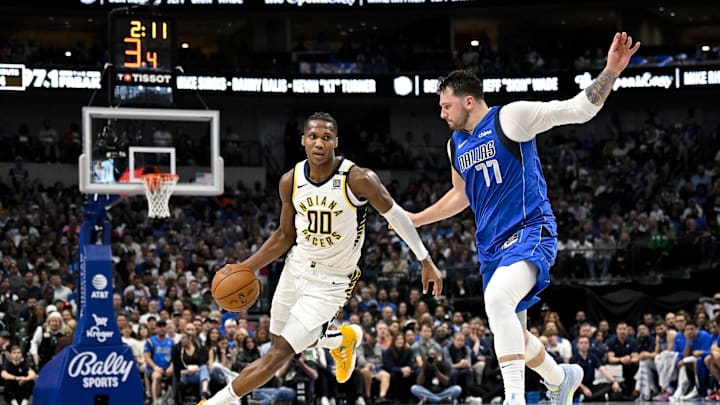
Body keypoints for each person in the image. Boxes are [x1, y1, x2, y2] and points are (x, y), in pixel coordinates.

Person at [408, 32, 640, 405]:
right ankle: (560, 378)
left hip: (530, 230)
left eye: (446, 106)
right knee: (516, 334)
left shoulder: (510, 118)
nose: (441, 113)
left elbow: (578, 110)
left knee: (498, 300)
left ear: (469, 101)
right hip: (491, 248)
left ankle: (514, 398)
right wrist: (418, 218)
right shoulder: (455, 145)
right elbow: (460, 195)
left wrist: (610, 71)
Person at [200, 112, 443, 405]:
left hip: (333, 280)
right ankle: (341, 340)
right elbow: (284, 235)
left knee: (279, 355)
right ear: (303, 140)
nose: (319, 143)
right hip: (297, 266)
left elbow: (397, 216)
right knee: (278, 341)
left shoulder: (358, 179)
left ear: (335, 142)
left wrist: (424, 259)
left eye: (326, 137)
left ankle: (212, 403)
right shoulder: (290, 181)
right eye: (313, 136)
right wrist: (245, 267)